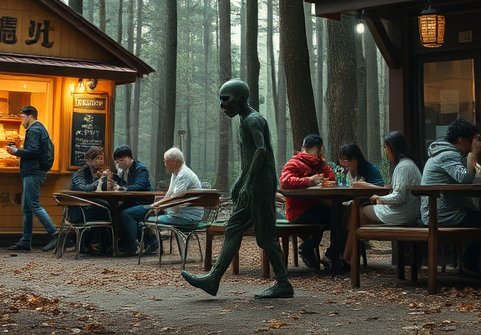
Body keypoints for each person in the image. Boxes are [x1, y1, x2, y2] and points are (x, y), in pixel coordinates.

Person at [181, 79, 294, 298]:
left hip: (260, 183)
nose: (222, 106)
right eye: (220, 100)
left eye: (226, 100)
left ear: (240, 99)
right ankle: (213, 279)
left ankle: (283, 283)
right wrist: (239, 181)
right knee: (233, 228)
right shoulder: (244, 119)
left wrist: (249, 183)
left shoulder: (253, 120)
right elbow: (250, 156)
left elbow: (261, 152)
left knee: (265, 236)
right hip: (254, 181)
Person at [420, 119, 481, 276]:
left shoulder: (448, 153)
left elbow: (464, 178)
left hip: (444, 210)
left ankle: (477, 265)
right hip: (440, 213)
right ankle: (478, 266)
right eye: (474, 139)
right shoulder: (448, 154)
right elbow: (464, 178)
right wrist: (473, 155)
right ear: (461, 139)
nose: (478, 143)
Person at [344, 131, 422, 265]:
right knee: (356, 213)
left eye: (385, 148)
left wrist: (375, 199)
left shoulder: (403, 167)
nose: (385, 152)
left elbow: (398, 197)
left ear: (391, 148)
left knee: (355, 211)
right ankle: (348, 256)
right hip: (407, 211)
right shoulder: (408, 165)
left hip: (401, 213)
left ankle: (347, 257)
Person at [279, 134, 337, 270]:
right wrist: (308, 181)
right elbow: (285, 181)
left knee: (339, 213)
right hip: (299, 212)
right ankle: (322, 251)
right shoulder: (294, 163)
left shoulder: (320, 164)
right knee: (339, 215)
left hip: (317, 207)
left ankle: (326, 252)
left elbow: (332, 178)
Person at [6, 106, 59, 252]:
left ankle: (55, 233)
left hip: (33, 172)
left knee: (34, 205)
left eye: (22, 117)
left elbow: (34, 152)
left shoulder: (34, 129)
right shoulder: (39, 128)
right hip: (35, 171)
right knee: (26, 208)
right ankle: (25, 240)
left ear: (29, 116)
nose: (21, 120)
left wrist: (16, 151)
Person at [111, 145, 156, 255]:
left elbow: (139, 186)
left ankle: (136, 243)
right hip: (133, 201)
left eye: (120, 161)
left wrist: (122, 188)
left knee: (126, 214)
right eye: (117, 162)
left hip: (144, 202)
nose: (119, 164)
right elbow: (122, 184)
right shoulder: (125, 171)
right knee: (116, 211)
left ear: (127, 158)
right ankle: (124, 243)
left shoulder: (140, 168)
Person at [145, 147, 204, 229]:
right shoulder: (176, 173)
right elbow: (169, 194)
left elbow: (175, 197)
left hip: (188, 217)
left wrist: (156, 205)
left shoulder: (184, 174)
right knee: (149, 215)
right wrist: (159, 202)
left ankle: (153, 241)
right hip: (179, 214)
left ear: (174, 161)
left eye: (166, 161)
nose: (165, 164)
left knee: (149, 219)